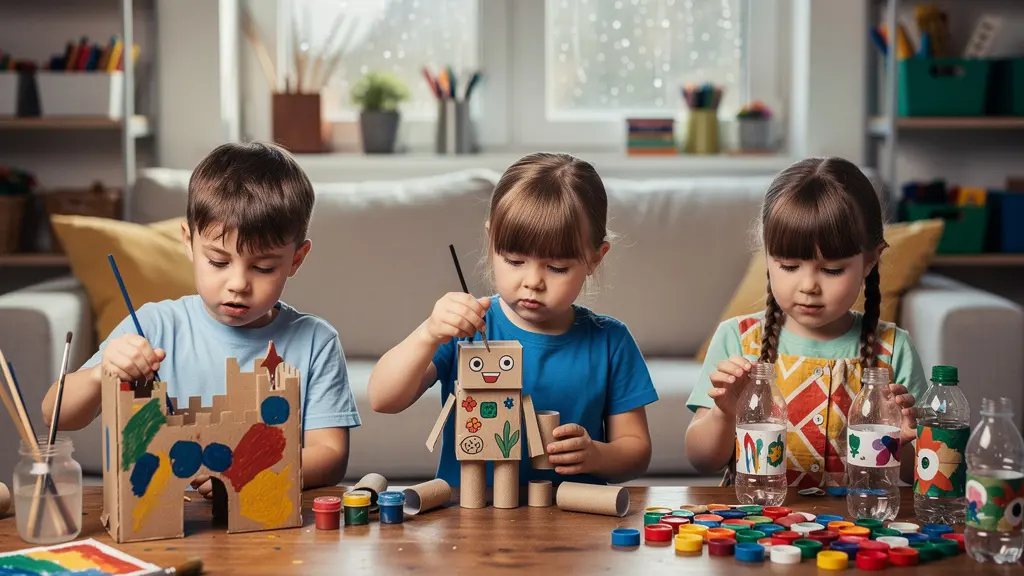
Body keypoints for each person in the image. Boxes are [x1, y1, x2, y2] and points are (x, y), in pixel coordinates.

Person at [41, 142, 360, 493]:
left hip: (267, 528)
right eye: (219, 262)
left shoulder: (316, 341)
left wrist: (243, 470)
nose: (238, 284)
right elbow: (56, 413)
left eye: (263, 267)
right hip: (162, 525)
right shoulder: (154, 325)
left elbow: (330, 456)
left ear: (297, 260)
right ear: (188, 242)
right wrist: (102, 374)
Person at [368, 152, 658, 486]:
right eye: (515, 261)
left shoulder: (611, 342)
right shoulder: (468, 327)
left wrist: (598, 455)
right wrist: (428, 333)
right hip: (470, 522)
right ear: (492, 243)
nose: (533, 281)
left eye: (557, 268)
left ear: (595, 259)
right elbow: (383, 399)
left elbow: (636, 451)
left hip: (575, 524)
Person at [685, 156, 925, 489]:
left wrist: (905, 442)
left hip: (856, 531)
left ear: (871, 260)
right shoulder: (738, 339)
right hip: (757, 527)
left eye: (832, 270)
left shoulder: (894, 349)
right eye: (788, 266)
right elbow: (701, 459)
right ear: (767, 255)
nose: (809, 286)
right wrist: (724, 413)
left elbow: (917, 475)